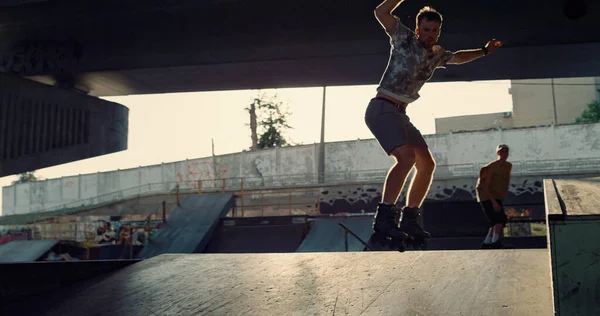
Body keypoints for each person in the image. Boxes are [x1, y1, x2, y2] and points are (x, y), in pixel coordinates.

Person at [365, 0, 503, 249]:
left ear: (438, 32)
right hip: (381, 108)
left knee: (427, 164)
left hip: (401, 114)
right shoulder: (403, 38)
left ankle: (410, 218)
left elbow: (458, 58)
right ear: (418, 30)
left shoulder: (436, 54)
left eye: (434, 31)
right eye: (425, 30)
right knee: (406, 158)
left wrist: (483, 51)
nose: (429, 35)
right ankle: (384, 217)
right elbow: (380, 12)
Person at [476, 144, 512, 249]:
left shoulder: (508, 166)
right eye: (501, 152)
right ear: (497, 153)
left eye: (506, 151)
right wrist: (493, 202)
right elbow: (485, 186)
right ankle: (495, 242)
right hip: (487, 196)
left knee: (495, 221)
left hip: (498, 196)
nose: (504, 154)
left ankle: (487, 243)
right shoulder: (491, 168)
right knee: (499, 220)